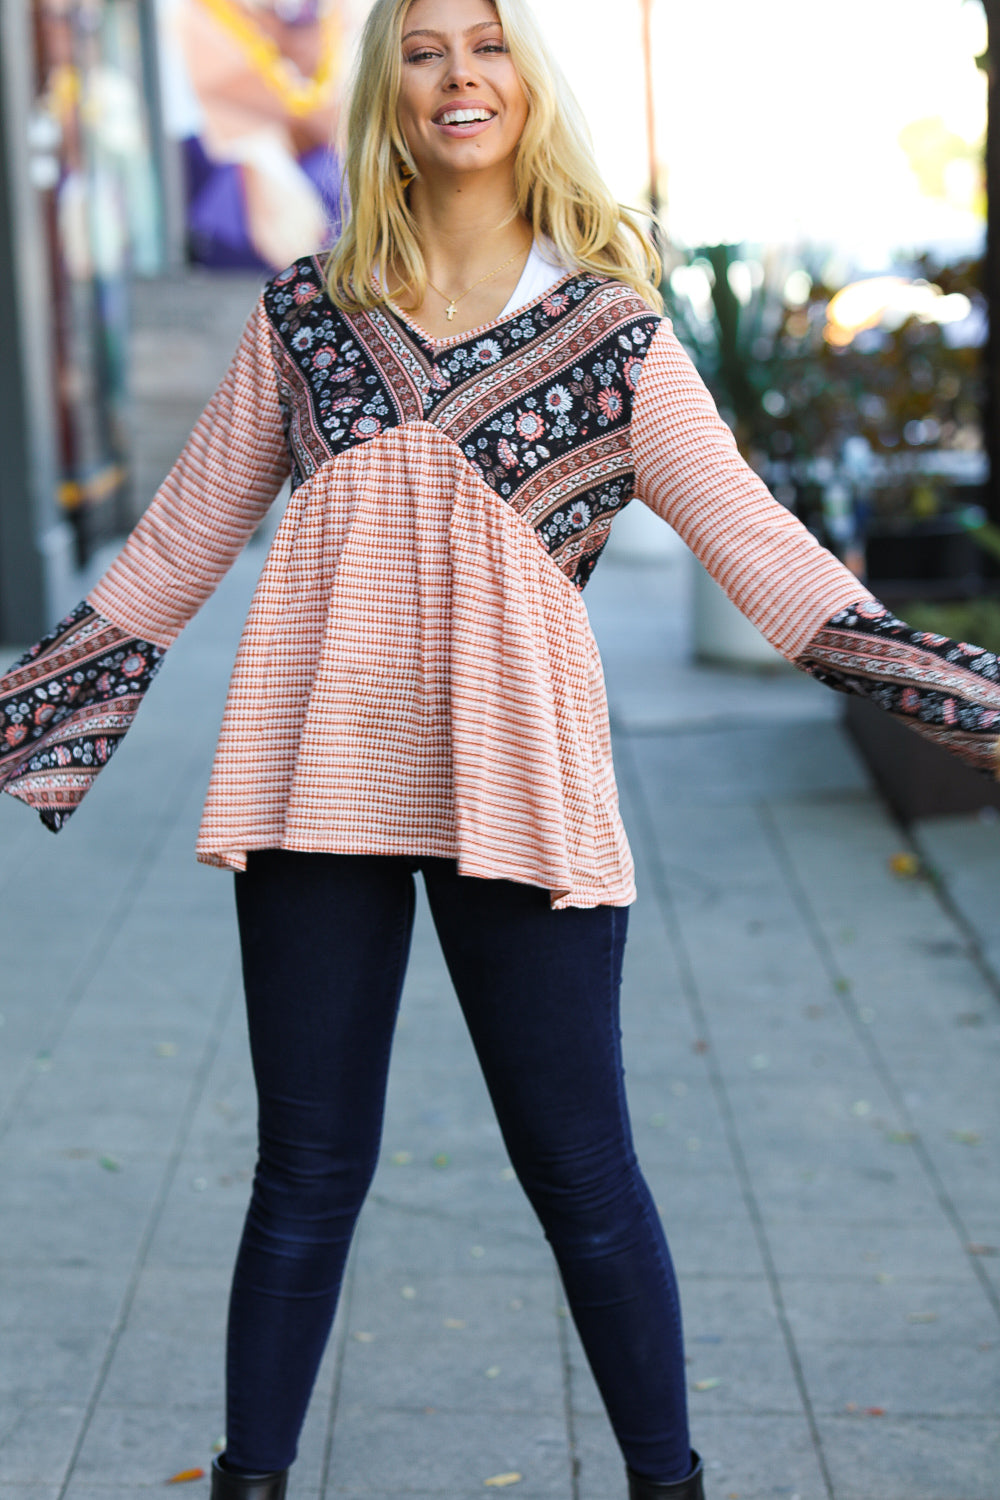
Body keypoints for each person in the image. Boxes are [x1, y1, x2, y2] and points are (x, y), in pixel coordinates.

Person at [2, 2, 999, 1497]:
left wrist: (973, 706)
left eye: (486, 43)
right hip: (310, 789)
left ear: (529, 79)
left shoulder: (613, 339)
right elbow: (168, 556)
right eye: (421, 49)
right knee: (305, 1179)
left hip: (520, 793)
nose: (457, 75)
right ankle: (250, 1485)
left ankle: (672, 1483)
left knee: (583, 1180)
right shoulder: (309, 317)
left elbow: (776, 565)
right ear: (386, 91)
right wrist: (31, 725)